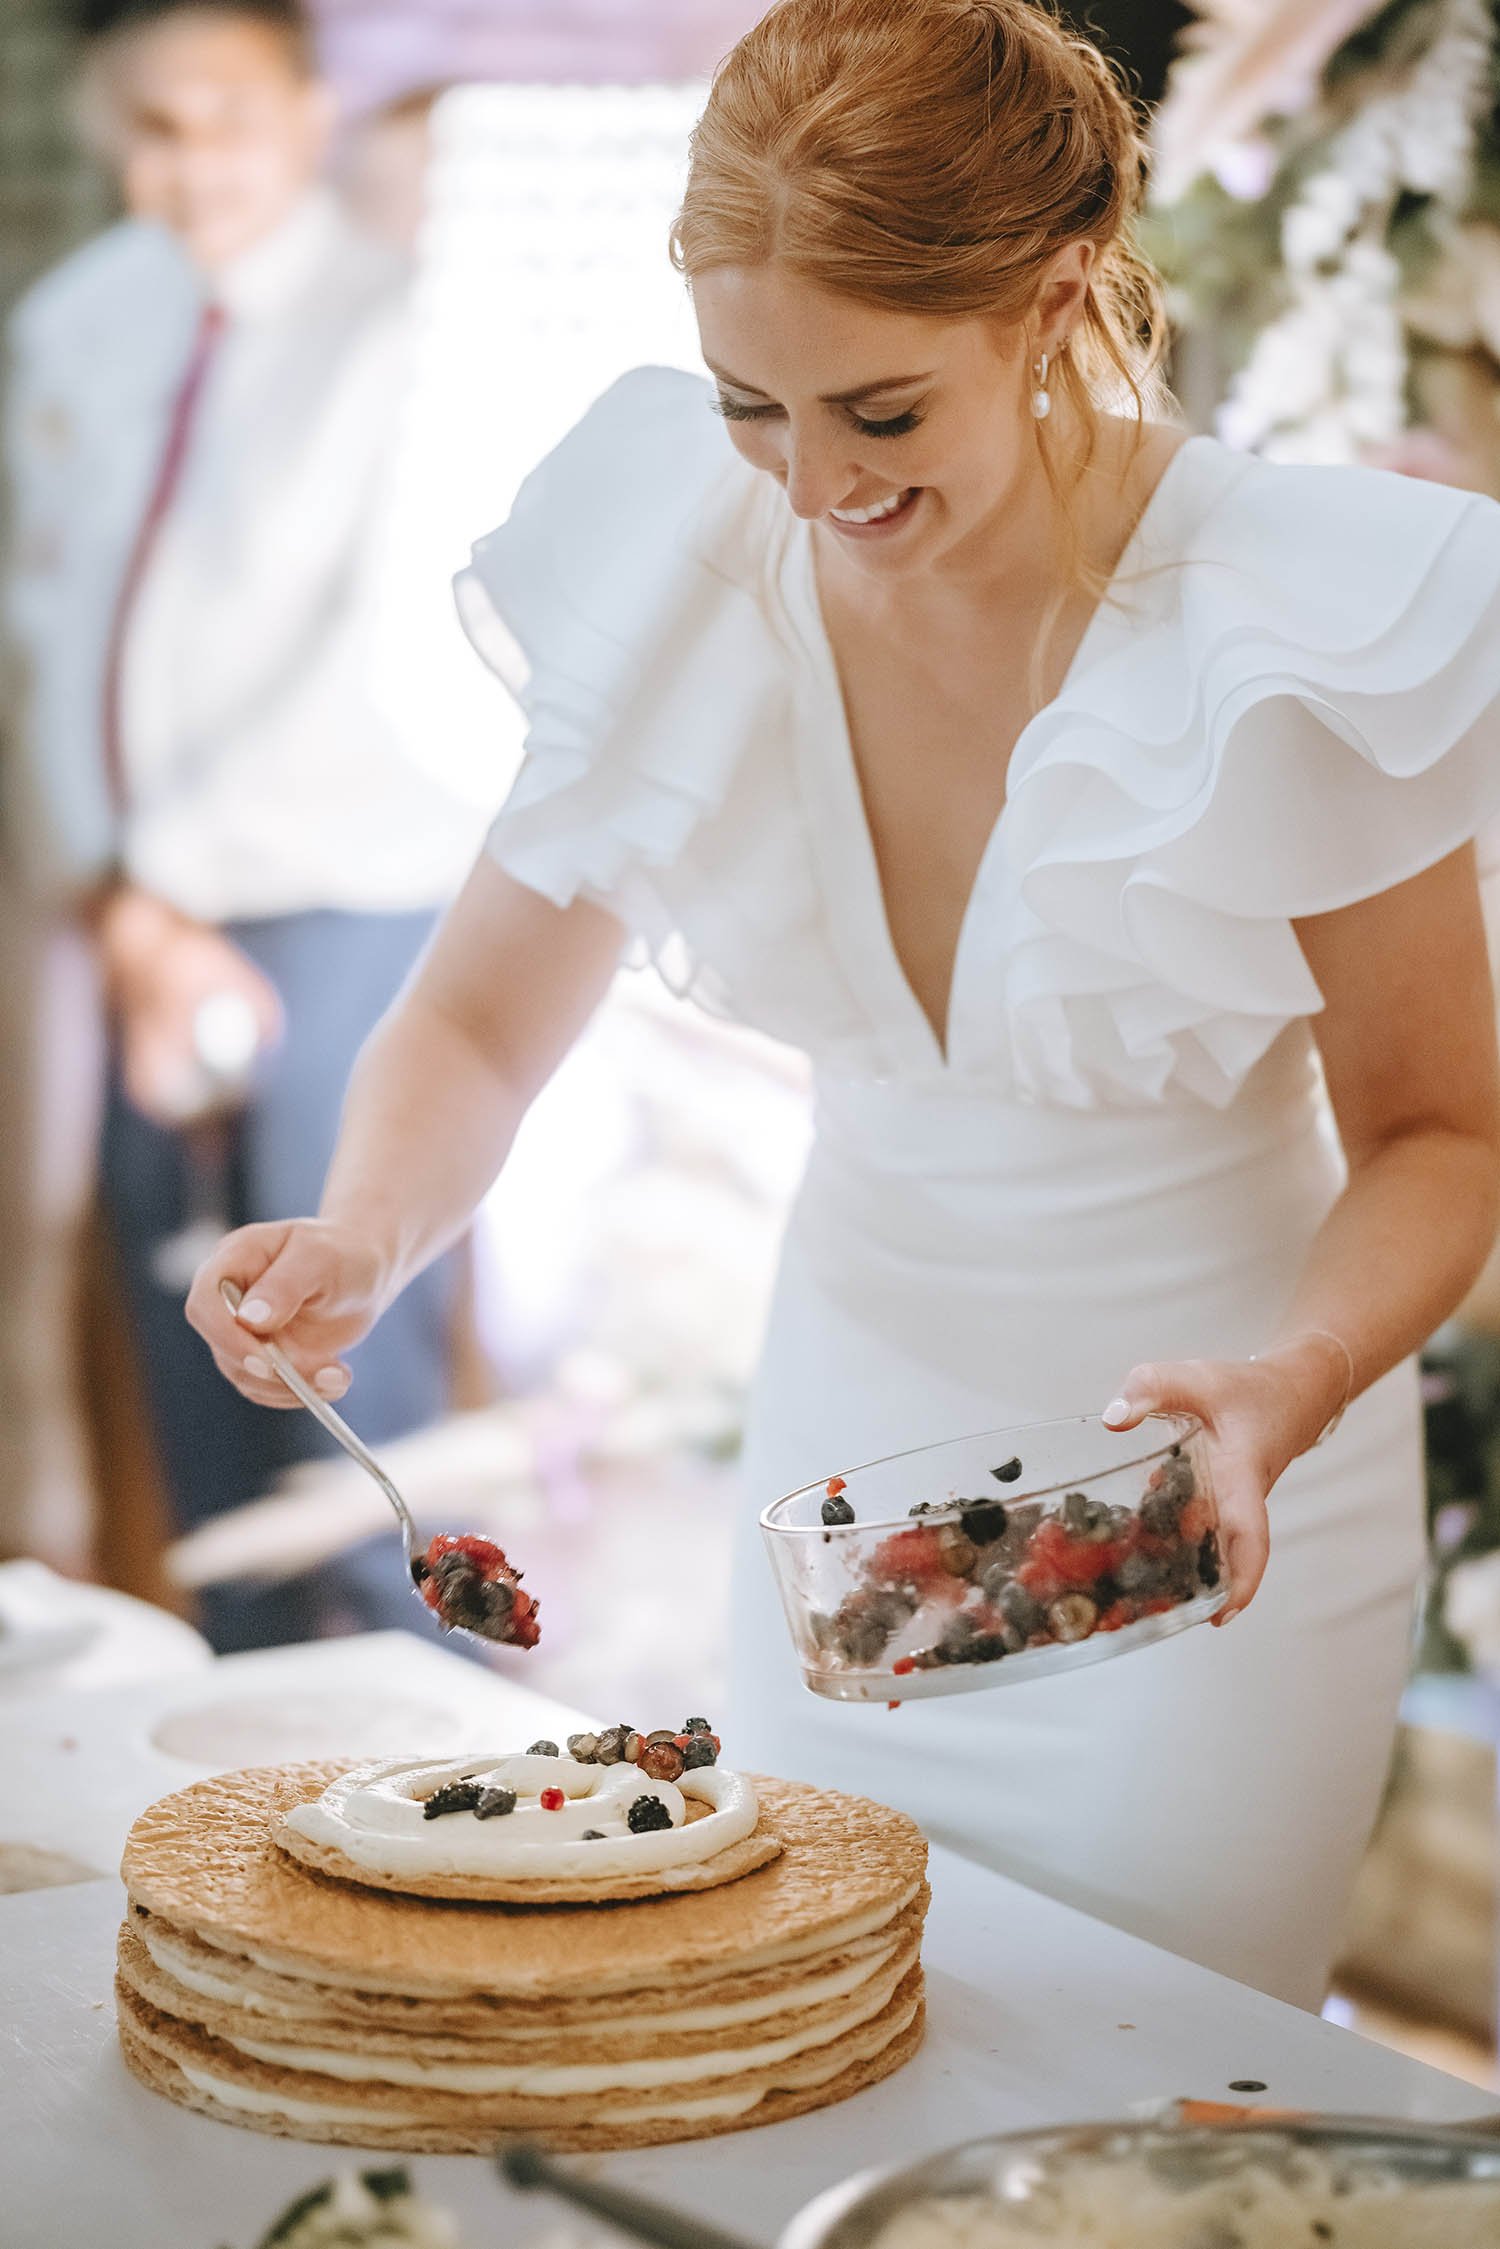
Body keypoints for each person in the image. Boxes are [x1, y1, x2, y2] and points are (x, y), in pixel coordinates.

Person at [188, 0, 1500, 2004]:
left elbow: (1442, 1130)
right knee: (827, 2030)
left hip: (1214, 1497)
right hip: (846, 1469)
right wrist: (366, 1231)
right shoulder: (687, 564)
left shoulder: (1286, 622)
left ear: (1059, 301)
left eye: (881, 414)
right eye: (751, 406)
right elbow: (470, 1024)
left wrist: (1292, 1383)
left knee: (1136, 2097)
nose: (810, 487)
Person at [5, 0, 481, 1647]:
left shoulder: (403, 328)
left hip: (342, 896)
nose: (182, 162)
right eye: (140, 124)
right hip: (142, 920)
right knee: (193, 1352)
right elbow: (50, 635)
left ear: (303, 106)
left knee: (342, 1360)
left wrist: (188, 905)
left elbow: (371, 652)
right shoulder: (83, 325)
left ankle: (454, 1748)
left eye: (217, 113)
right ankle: (265, 1765)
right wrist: (129, 904)